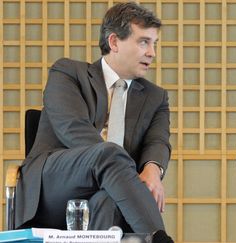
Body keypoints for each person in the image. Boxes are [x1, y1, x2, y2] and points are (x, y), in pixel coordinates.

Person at [16, 2, 173, 240]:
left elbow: (158, 141)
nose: (152, 52)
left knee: (109, 201)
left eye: (154, 44)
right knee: (109, 154)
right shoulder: (68, 73)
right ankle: (160, 239)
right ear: (114, 42)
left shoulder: (155, 97)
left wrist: (153, 167)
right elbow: (72, 130)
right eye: (143, 42)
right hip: (52, 186)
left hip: (113, 188)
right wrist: (125, 171)